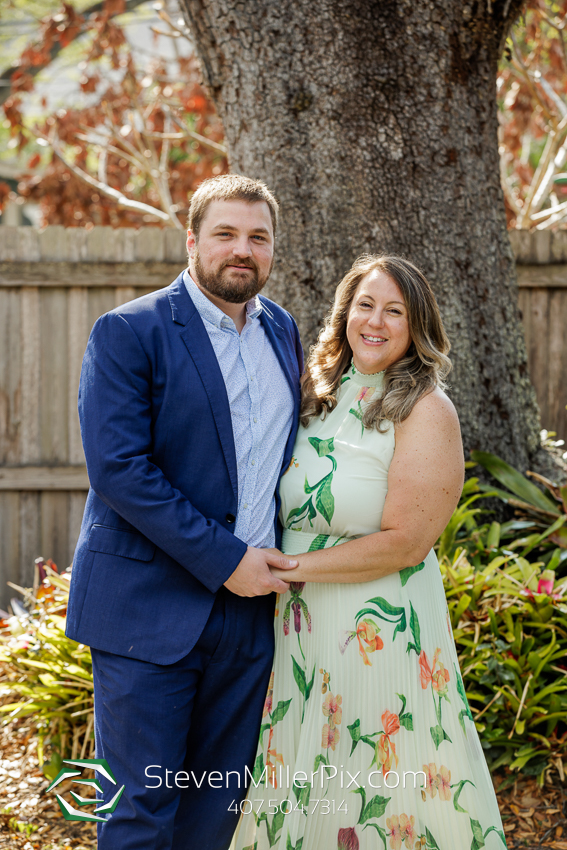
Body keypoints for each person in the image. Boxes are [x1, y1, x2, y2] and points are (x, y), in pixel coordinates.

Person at [234, 255, 507, 850]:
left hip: (376, 626)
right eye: (365, 305)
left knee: (378, 775)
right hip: (299, 624)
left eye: (394, 311)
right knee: (307, 773)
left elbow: (407, 542)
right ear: (345, 313)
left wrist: (290, 568)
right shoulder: (316, 392)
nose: (375, 321)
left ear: (417, 327)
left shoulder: (426, 410)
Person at [65, 174, 304, 850]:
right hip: (149, 611)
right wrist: (227, 560)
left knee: (214, 811)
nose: (242, 250)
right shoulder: (130, 331)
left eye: (257, 237)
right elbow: (119, 470)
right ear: (192, 240)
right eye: (225, 234)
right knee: (141, 810)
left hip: (249, 617)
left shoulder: (281, 330)